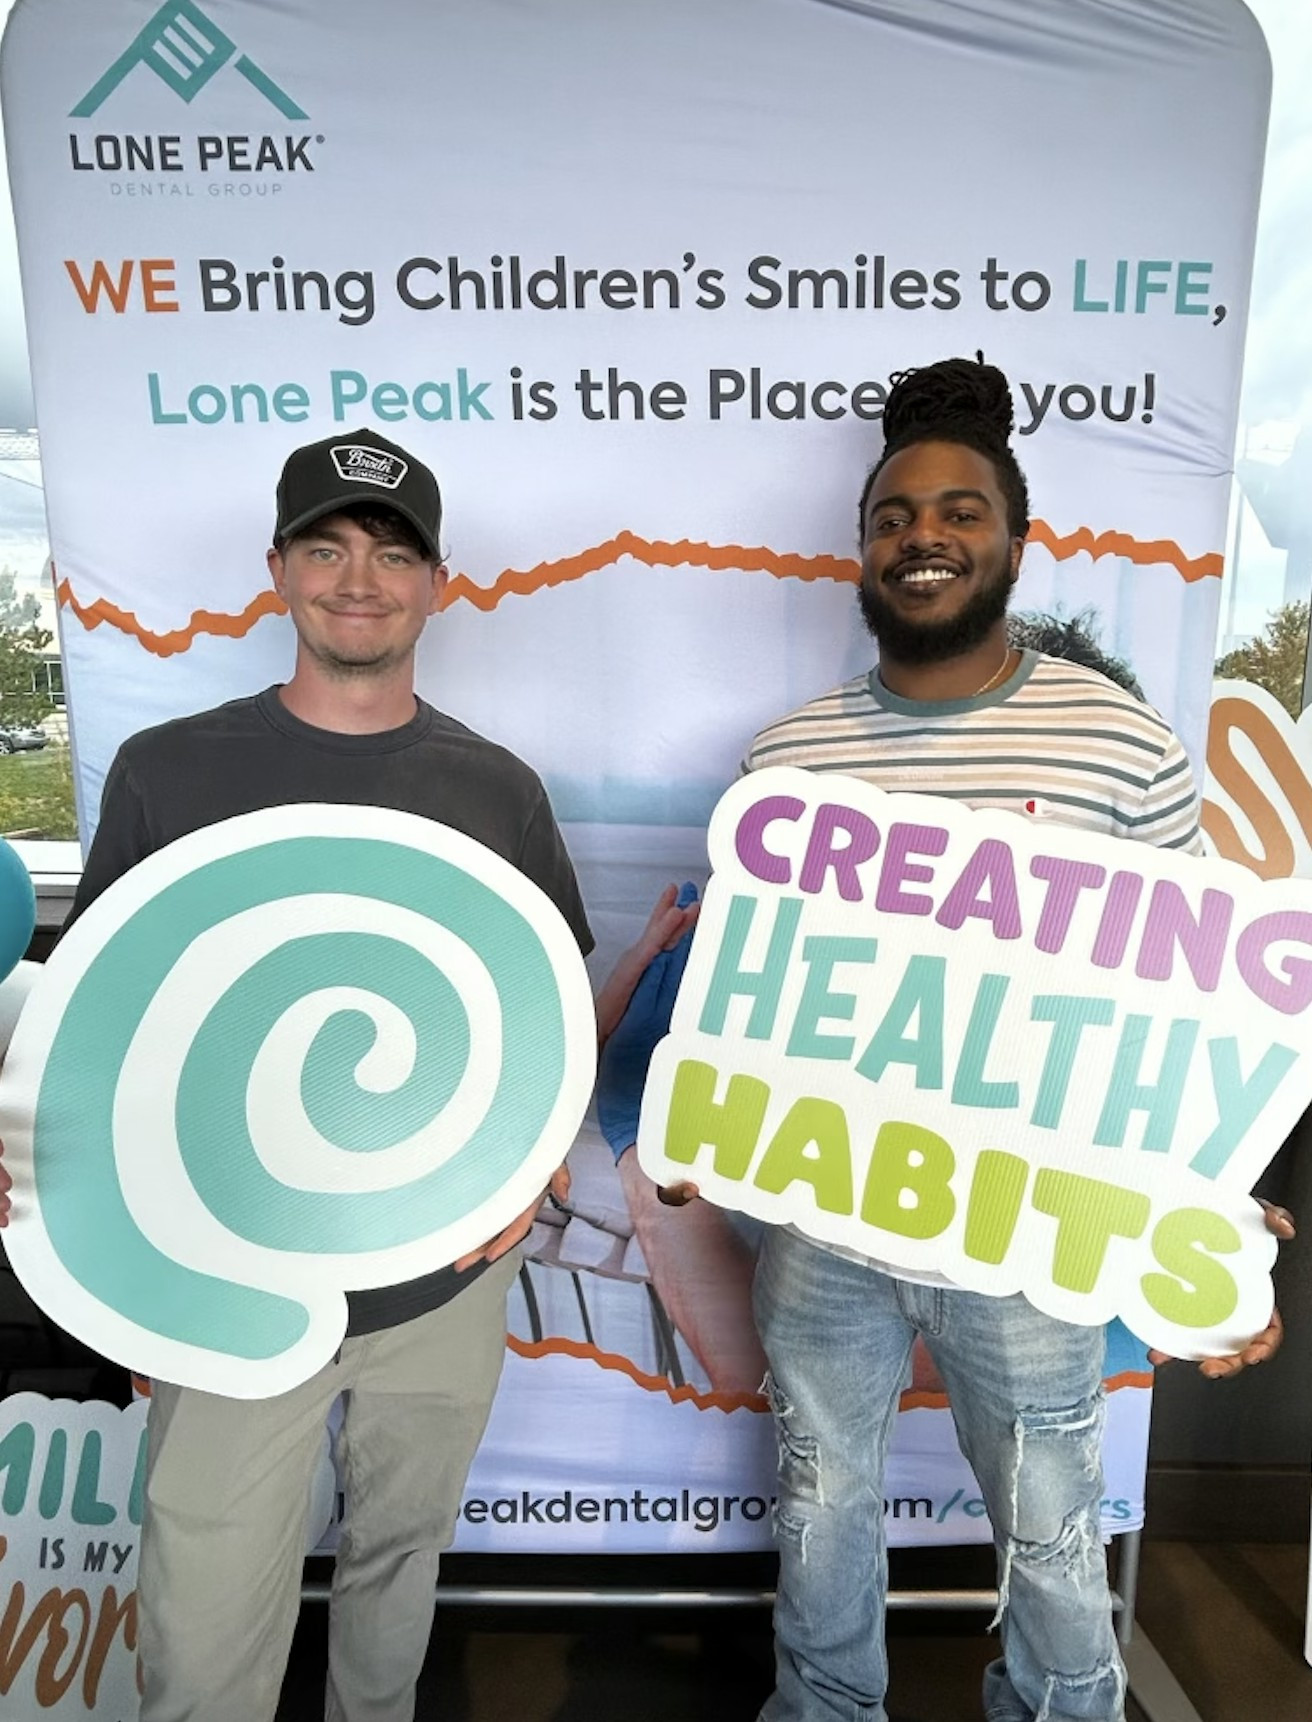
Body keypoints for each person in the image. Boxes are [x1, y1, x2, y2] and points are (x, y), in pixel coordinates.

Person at [599, 357, 1291, 1722]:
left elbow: (1178, 999)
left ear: (1014, 542)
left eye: (959, 510)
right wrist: (678, 1135)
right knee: (820, 1505)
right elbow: (736, 992)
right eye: (896, 515)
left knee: (1049, 1529)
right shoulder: (787, 761)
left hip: (1033, 1231)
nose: (925, 535)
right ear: (863, 551)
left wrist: (1199, 1203)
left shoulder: (1120, 741)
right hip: (826, 1228)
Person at [1, 427, 592, 1722]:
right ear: (278, 570)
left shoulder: (499, 793)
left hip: (443, 1271)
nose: (358, 578)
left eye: (390, 551)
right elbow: (96, 1029)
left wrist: (527, 1182)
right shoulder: (171, 773)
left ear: (439, 580)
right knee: (203, 1614)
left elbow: (553, 1027)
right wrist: (46, 1176)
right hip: (226, 1274)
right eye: (326, 547)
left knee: (398, 1568)